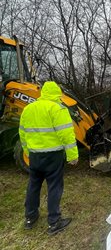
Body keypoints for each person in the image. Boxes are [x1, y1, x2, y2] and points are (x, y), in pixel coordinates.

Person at [19, 81, 78, 235]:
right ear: (58, 93)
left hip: (34, 155)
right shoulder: (58, 109)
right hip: (53, 156)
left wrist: (27, 151)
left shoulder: (28, 109)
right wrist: (73, 156)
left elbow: (23, 134)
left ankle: (30, 218)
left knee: (33, 185)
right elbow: (66, 134)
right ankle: (54, 222)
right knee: (54, 187)